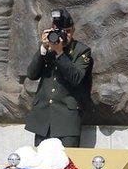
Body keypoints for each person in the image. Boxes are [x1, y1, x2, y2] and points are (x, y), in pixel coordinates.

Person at [25, 8, 92, 148]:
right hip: (43, 120)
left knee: (67, 166)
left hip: (66, 121)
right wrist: (43, 49)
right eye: (61, 31)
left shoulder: (81, 51)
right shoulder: (47, 49)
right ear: (53, 29)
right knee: (40, 165)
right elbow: (32, 74)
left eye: (68, 31)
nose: (64, 35)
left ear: (73, 30)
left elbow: (76, 78)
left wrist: (60, 53)